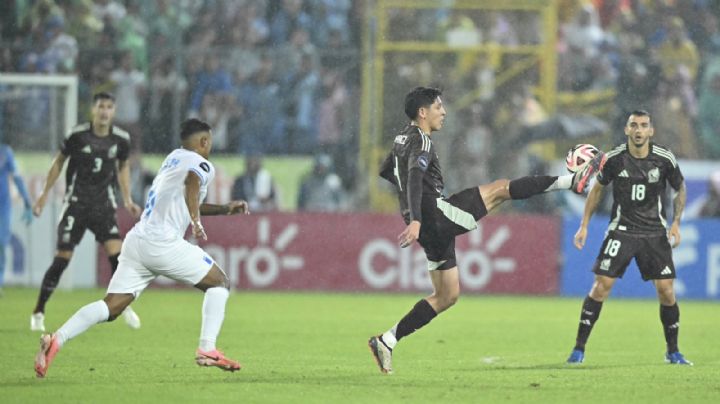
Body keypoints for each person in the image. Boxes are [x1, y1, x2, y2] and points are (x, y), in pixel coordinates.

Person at [367, 87, 606, 374]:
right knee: (502, 189)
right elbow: (415, 176)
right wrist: (418, 216)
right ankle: (573, 181)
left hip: (427, 224)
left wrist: (410, 210)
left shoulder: (401, 138)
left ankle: (387, 340)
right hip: (435, 215)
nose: (443, 112)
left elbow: (387, 170)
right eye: (438, 107)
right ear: (423, 112)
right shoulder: (422, 141)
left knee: (447, 295)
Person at [34, 118, 249, 378]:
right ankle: (207, 348)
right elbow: (192, 184)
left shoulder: (173, 159)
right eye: (210, 142)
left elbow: (184, 199)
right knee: (220, 283)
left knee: (112, 306)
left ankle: (56, 339)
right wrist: (195, 222)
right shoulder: (201, 164)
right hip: (162, 243)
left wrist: (225, 208)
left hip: (137, 241)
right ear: (204, 142)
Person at [566, 110, 692, 366]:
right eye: (634, 125)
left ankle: (673, 351)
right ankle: (578, 349)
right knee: (601, 286)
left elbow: (680, 187)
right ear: (626, 130)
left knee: (667, 291)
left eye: (644, 125)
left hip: (655, 232)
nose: (638, 130)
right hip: (621, 230)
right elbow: (597, 189)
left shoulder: (664, 158)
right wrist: (584, 225)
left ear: (651, 131)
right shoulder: (614, 158)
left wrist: (677, 223)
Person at [30, 92, 143, 332]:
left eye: (109, 107)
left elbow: (122, 168)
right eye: (101, 106)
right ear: (94, 109)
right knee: (63, 259)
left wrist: (128, 199)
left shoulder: (121, 140)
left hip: (103, 205)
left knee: (119, 257)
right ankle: (39, 310)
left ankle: (122, 305)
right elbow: (58, 162)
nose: (104, 111)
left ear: (114, 111)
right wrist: (43, 194)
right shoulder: (77, 135)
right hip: (76, 204)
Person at [0, 143, 33, 295]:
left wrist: (27, 200)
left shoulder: (5, 152)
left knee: (1, 245)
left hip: (3, 207)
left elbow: (17, 177)